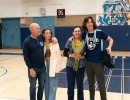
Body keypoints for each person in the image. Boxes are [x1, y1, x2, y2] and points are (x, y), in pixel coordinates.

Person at [82, 16, 113, 100]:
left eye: (91, 22)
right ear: (85, 24)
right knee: (91, 85)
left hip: (98, 62)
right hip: (88, 63)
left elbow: (111, 39)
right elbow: (76, 40)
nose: (90, 23)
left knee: (101, 85)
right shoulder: (84, 34)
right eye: (88, 22)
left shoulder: (99, 32)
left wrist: (109, 47)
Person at [23, 23, 46, 100]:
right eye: (37, 28)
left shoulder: (41, 38)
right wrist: (30, 68)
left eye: (39, 28)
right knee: (33, 87)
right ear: (31, 30)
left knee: (42, 86)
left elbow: (51, 38)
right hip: (33, 69)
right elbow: (26, 56)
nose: (39, 30)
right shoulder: (27, 41)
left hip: (42, 68)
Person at [63, 26, 85, 100]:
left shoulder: (83, 41)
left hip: (81, 66)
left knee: (80, 86)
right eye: (75, 31)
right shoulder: (69, 41)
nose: (77, 32)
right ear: (73, 33)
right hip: (70, 66)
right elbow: (64, 53)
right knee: (70, 86)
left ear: (81, 32)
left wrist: (82, 57)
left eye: (78, 31)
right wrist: (71, 55)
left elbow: (87, 53)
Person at [42, 28, 61, 100]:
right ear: (43, 34)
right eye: (46, 33)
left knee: (53, 85)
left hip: (53, 64)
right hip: (44, 65)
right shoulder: (41, 43)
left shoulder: (55, 43)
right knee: (46, 85)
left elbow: (58, 56)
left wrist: (57, 68)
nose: (48, 34)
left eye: (49, 33)